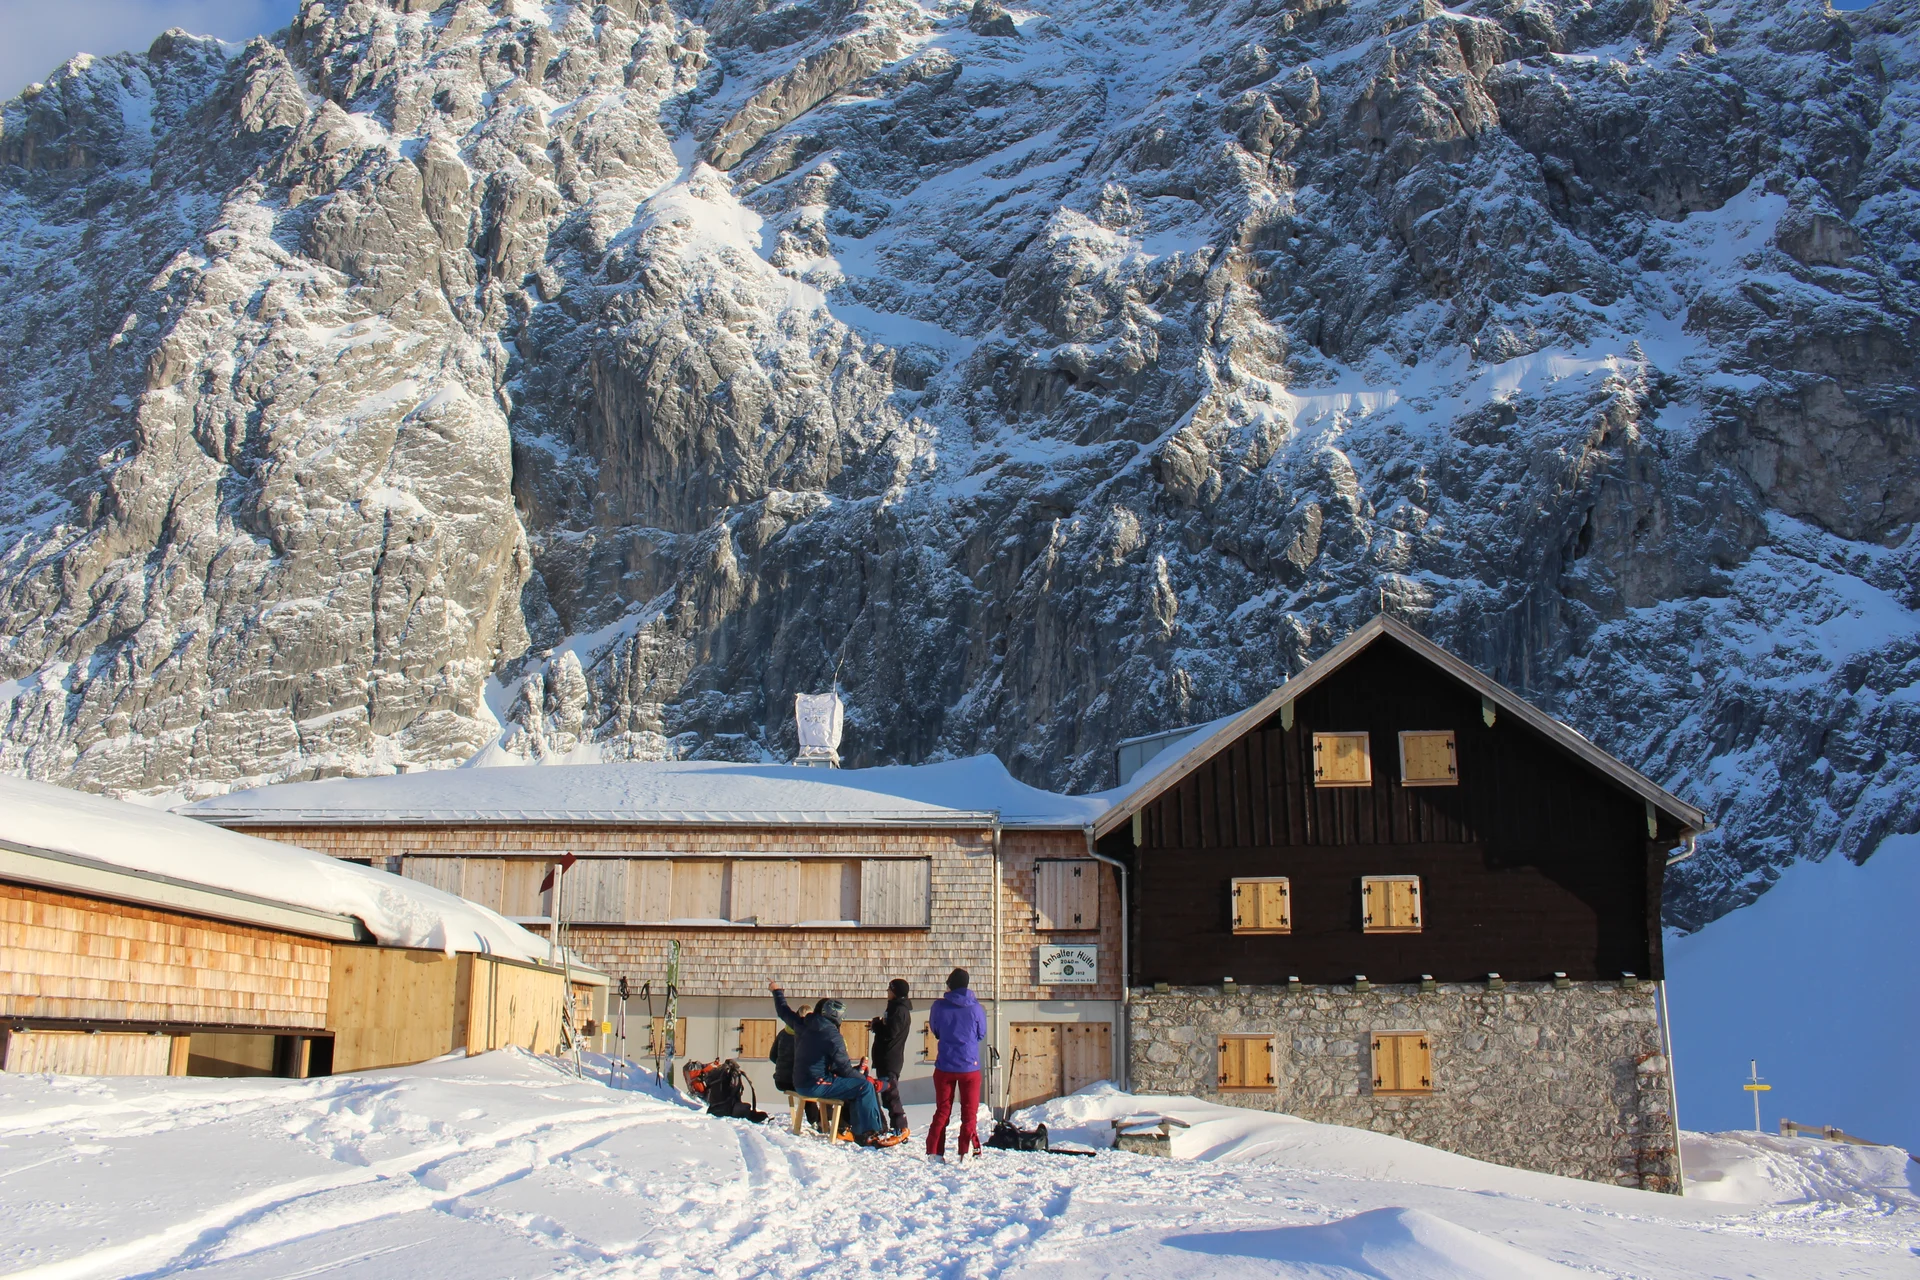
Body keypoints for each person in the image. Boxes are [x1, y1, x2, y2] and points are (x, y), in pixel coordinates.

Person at [770, 981, 900, 1147]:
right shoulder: (832, 1036)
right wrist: (870, 1081)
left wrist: (777, 991)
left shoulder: (803, 1023)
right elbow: (844, 1069)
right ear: (838, 1018)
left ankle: (859, 1131)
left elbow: (783, 1011)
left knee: (857, 1086)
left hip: (801, 1082)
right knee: (864, 1087)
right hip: (815, 1084)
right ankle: (871, 1133)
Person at [926, 967, 987, 1162]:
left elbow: (935, 1029)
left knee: (943, 1110)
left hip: (945, 1065)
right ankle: (965, 1152)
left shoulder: (938, 1006)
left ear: (950, 985)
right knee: (969, 1112)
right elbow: (981, 1034)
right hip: (970, 1066)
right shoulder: (976, 1008)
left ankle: (934, 1152)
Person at [867, 979, 912, 1138]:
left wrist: (878, 1026)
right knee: (887, 1095)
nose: (888, 992)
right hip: (885, 1058)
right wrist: (878, 1025)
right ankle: (894, 1126)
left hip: (890, 1059)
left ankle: (901, 1126)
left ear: (895, 992)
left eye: (890, 990)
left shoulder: (899, 1010)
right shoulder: (894, 1008)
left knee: (891, 1094)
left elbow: (891, 1033)